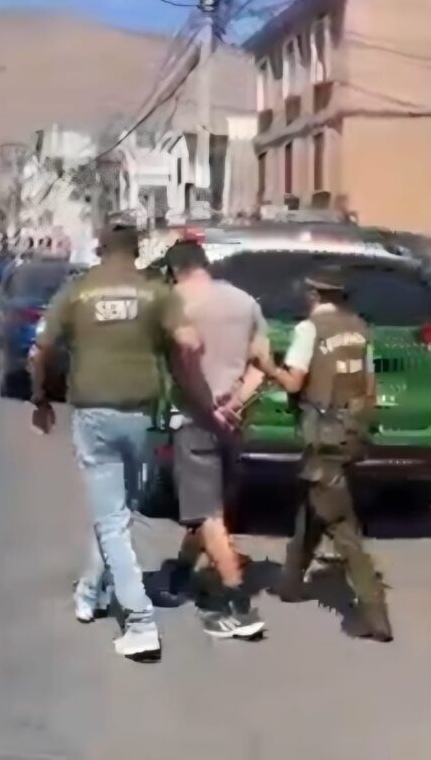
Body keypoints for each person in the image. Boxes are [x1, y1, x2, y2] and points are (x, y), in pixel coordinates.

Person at [29, 225, 200, 662]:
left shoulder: (77, 291)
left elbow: (39, 350)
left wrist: (40, 399)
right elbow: (190, 342)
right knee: (118, 514)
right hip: (142, 413)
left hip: (94, 414)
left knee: (111, 518)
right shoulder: (156, 291)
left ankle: (140, 622)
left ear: (100, 250)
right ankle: (90, 592)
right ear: (137, 251)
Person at [252, 276, 393, 642]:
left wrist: (267, 365)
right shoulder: (360, 328)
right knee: (315, 503)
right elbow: (370, 386)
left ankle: (374, 613)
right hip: (352, 431)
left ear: (314, 294)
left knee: (341, 525)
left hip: (323, 436)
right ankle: (290, 582)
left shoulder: (309, 329)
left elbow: (294, 383)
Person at [163, 241, 268, 640]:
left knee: (207, 514)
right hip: (236, 422)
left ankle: (238, 605)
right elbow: (262, 363)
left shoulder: (175, 305)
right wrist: (236, 402)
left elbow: (182, 366)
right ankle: (181, 572)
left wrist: (209, 407)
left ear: (175, 271)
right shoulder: (244, 302)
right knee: (212, 507)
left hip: (195, 420)